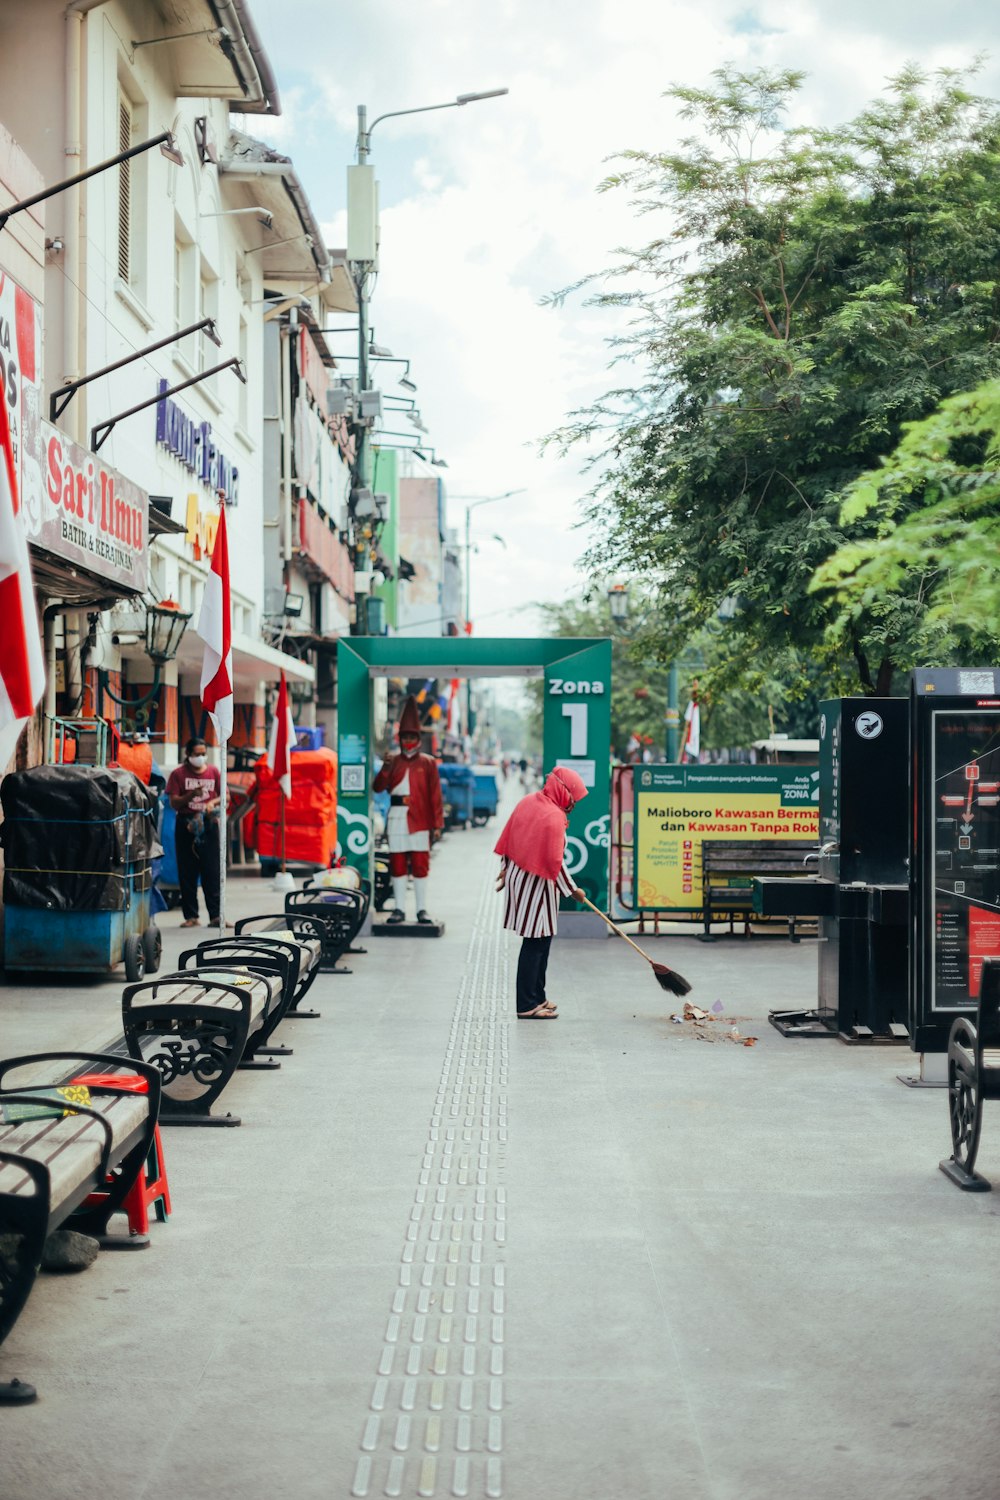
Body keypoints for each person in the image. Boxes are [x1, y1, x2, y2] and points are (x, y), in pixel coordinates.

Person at [494, 765, 588, 1019]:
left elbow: (510, 838)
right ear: (563, 791)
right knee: (534, 943)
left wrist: (505, 869)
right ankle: (526, 1004)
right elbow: (555, 862)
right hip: (534, 884)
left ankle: (538, 995)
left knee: (542, 941)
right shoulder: (552, 816)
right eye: (573, 798)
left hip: (524, 879)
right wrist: (574, 890)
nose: (573, 805)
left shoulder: (530, 802)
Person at [373, 696, 444, 925]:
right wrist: (384, 768)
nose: (409, 741)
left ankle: (422, 909)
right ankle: (400, 909)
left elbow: (435, 796)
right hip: (396, 818)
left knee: (421, 864)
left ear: (419, 738)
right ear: (400, 738)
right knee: (398, 863)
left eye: (412, 737)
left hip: (420, 820)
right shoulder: (392, 761)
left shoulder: (428, 763)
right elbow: (378, 788)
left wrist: (437, 825)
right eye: (405, 737)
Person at [165, 737, 225, 928]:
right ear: (188, 755)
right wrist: (191, 795)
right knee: (187, 871)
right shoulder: (178, 774)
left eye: (203, 753)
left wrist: (211, 803)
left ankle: (216, 916)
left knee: (212, 871)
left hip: (208, 825)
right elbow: (173, 802)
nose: (200, 757)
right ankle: (191, 916)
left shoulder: (214, 771)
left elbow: (225, 796)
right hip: (185, 824)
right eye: (196, 754)